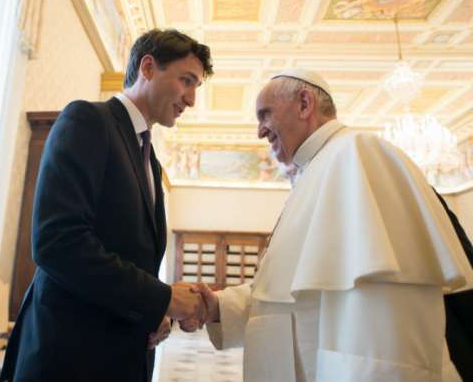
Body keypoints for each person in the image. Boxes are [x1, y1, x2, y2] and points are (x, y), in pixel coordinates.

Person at [183, 68, 473, 382]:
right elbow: (290, 300)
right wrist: (218, 307)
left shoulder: (356, 154)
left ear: (304, 104)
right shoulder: (315, 170)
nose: (260, 132)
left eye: (265, 115)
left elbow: (380, 328)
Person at [0, 29, 213, 382]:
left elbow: (130, 257)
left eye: (196, 88)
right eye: (186, 81)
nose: (190, 99)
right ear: (147, 67)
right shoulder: (88, 120)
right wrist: (162, 299)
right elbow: (58, 243)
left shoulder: (151, 160)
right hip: (69, 359)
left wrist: (151, 313)